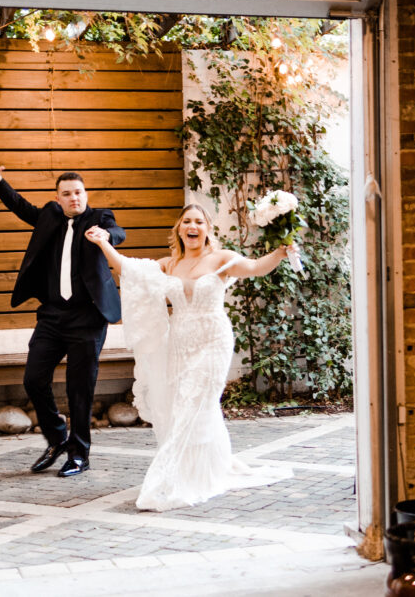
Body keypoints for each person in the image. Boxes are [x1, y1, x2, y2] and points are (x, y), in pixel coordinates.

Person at [85, 203, 297, 511]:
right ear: (180, 229)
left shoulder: (221, 259)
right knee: (188, 407)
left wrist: (279, 252)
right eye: (187, 221)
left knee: (194, 404)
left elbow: (254, 268)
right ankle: (204, 469)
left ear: (208, 229)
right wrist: (103, 242)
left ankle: (170, 478)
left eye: (199, 221)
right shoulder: (169, 264)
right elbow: (127, 268)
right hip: (180, 345)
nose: (192, 226)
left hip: (213, 341)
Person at [0, 149, 125, 477]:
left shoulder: (100, 219)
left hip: (88, 318)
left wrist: (105, 237)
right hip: (52, 316)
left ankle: (79, 454)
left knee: (80, 388)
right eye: (67, 194)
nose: (74, 198)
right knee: (33, 379)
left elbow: (118, 233)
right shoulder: (49, 216)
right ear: (57, 198)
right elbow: (20, 206)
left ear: (85, 194)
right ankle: (57, 438)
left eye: (79, 192)